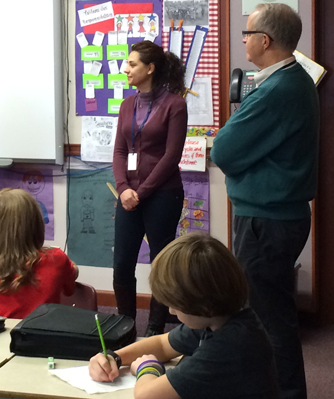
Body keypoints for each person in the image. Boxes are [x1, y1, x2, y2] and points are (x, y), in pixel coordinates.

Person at [210, 5, 318, 399]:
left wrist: (240, 165)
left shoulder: (278, 88)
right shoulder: (288, 80)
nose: (243, 40)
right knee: (272, 314)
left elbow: (223, 150)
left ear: (265, 40)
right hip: (275, 218)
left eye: (247, 32)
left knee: (270, 320)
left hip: (265, 222)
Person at [88, 233, 279, 399]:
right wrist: (115, 358)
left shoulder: (230, 347)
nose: (170, 311)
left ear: (203, 305)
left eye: (175, 305)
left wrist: (147, 367)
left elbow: (147, 395)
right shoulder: (219, 318)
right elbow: (163, 344)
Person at [112, 40, 187, 336]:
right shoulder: (127, 104)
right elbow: (119, 151)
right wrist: (122, 189)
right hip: (127, 195)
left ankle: (155, 331)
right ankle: (124, 328)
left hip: (163, 195)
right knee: (122, 263)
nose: (125, 69)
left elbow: (171, 157)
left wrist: (140, 193)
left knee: (161, 265)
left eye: (131, 64)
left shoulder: (175, 105)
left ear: (150, 68)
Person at [0, 188, 78, 318]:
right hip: (41, 337)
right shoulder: (57, 259)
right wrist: (72, 267)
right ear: (37, 225)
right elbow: (70, 288)